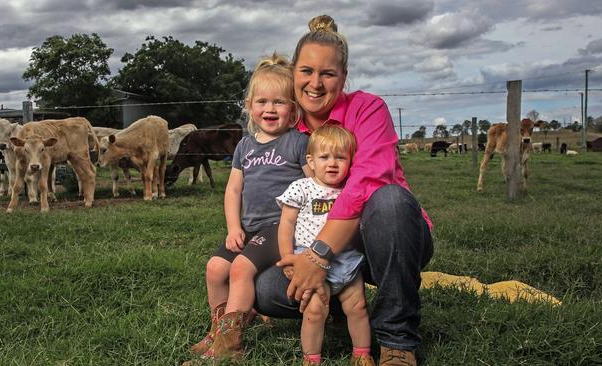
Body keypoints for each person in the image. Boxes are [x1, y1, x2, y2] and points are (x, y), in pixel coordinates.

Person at [254, 15, 434, 366]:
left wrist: (318, 255)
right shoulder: (289, 131)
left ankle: (397, 340)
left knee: (390, 200)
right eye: (306, 71)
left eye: (328, 74)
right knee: (267, 291)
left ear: (344, 78)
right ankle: (344, 304)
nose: (315, 84)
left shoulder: (368, 108)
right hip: (318, 248)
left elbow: (369, 182)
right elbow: (268, 194)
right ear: (294, 74)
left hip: (382, 238)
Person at [186, 53, 311, 362]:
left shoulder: (297, 143)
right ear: (249, 106)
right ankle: (217, 331)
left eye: (280, 102)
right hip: (250, 226)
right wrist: (233, 227)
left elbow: (314, 186)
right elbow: (233, 189)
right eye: (262, 102)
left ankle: (230, 346)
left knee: (240, 268)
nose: (270, 109)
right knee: (216, 269)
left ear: (293, 110)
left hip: (280, 227)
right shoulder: (244, 146)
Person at [277, 124, 374, 365]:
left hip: (347, 260)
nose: (332, 163)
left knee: (359, 307)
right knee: (314, 312)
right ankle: (311, 359)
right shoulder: (302, 187)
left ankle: (362, 354)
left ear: (351, 160)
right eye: (325, 157)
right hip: (309, 261)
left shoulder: (351, 188)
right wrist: (288, 257)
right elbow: (286, 225)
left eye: (340, 157)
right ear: (310, 160)